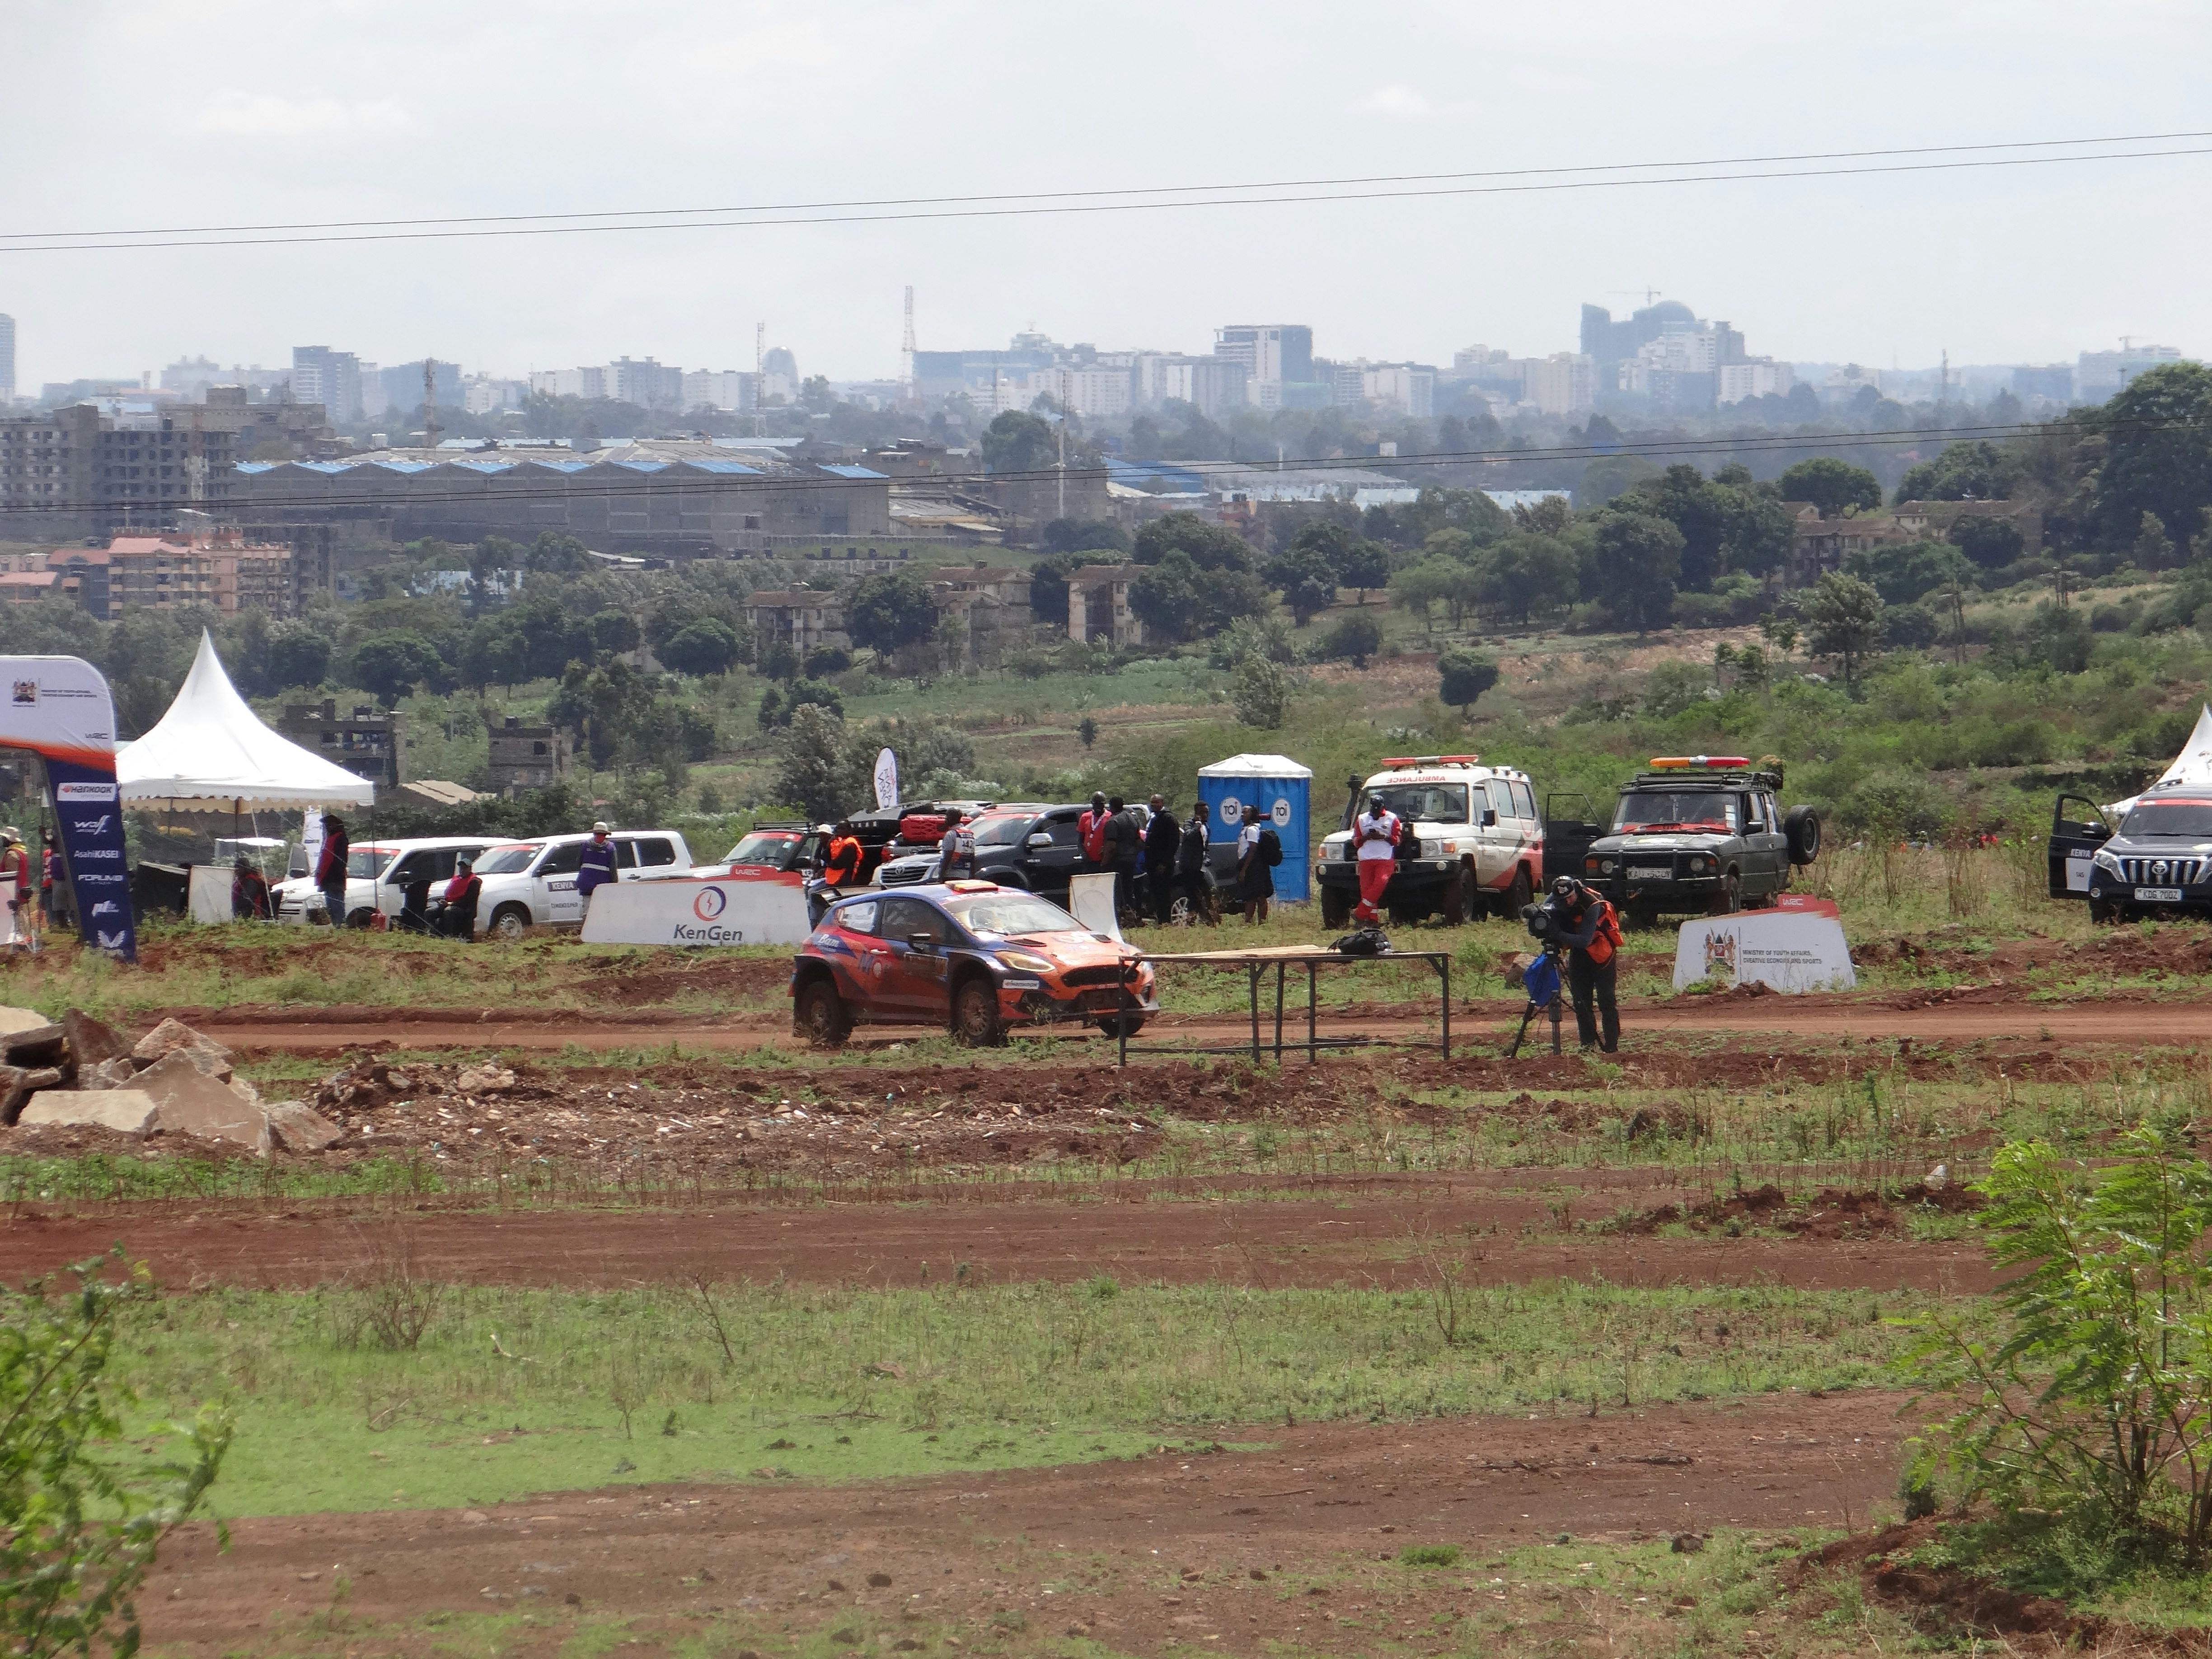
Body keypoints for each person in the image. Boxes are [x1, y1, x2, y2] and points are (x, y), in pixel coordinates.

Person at [1540, 875, 1623, 1053]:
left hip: (1602, 954)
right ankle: (1587, 1046)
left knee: (1606, 1000)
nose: (1568, 902)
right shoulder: (1557, 896)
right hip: (1579, 954)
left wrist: (1557, 933)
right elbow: (1543, 912)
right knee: (1581, 1002)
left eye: (1570, 897)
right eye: (1563, 900)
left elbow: (1585, 940)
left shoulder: (1593, 903)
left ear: (1576, 891)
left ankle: (1612, 1046)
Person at [1350, 791, 1402, 925]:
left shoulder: (1392, 818)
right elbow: (1356, 841)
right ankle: (1371, 919)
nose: (1375, 815)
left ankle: (1361, 912)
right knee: (1367, 890)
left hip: (1384, 857)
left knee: (1381, 882)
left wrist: (1383, 836)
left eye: (1378, 812)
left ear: (1382, 808)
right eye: (1373, 812)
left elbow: (1397, 840)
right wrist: (1366, 837)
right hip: (1365, 858)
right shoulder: (1362, 819)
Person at [1176, 799, 1218, 926]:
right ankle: (1197, 920)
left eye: (1207, 813)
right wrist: (1197, 825)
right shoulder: (1190, 824)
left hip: (1200, 866)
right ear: (1197, 813)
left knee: (1205, 893)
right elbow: (1188, 836)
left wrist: (1207, 859)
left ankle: (1205, 919)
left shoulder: (1207, 828)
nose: (1205, 815)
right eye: (1202, 812)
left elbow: (1205, 847)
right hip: (1189, 866)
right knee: (1194, 895)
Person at [1102, 796, 1142, 922]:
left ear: (1111, 807)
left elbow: (1111, 846)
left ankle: (1121, 917)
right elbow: (1139, 841)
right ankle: (1132, 915)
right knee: (1128, 889)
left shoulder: (1113, 821)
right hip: (1131, 859)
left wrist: (1104, 862)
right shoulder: (1133, 819)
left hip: (1118, 860)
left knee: (1118, 891)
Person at [1143, 794, 1180, 926]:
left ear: (1162, 803)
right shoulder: (1154, 818)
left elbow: (1174, 842)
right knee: (1157, 893)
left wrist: (1164, 863)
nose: (1153, 805)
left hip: (1163, 864)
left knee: (1164, 893)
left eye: (1156, 802)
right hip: (1152, 862)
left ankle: (1166, 920)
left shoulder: (1168, 818)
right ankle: (1160, 919)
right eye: (1152, 803)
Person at [1235, 804, 1275, 925]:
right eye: (1242, 812)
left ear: (1252, 815)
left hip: (1255, 867)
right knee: (1251, 896)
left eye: (1246, 812)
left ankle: (1262, 921)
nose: (1242, 815)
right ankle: (1248, 921)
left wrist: (1244, 869)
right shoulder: (1246, 829)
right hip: (1251, 865)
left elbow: (1253, 849)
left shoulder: (1252, 830)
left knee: (1260, 896)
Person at [315, 814, 351, 928]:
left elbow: (341, 860)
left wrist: (334, 875)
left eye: (327, 826)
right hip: (328, 879)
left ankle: (340, 927)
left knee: (337, 907)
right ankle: (336, 926)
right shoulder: (329, 838)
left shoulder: (340, 838)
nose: (325, 829)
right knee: (331, 907)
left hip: (335, 879)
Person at [437, 853, 483, 941]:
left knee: (448, 911)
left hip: (464, 908)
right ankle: (434, 934)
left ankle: (450, 937)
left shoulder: (474, 881)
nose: (462, 870)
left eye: (465, 868)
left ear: (470, 869)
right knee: (430, 912)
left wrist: (450, 904)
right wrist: (443, 901)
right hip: (451, 904)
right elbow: (448, 893)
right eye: (461, 868)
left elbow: (468, 901)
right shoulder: (456, 879)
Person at [576, 820, 619, 912]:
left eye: (602, 835)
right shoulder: (610, 847)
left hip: (594, 885)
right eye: (599, 834)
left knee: (592, 912)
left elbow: (579, 863)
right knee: (597, 912)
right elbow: (613, 869)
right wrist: (614, 884)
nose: (600, 837)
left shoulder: (585, 845)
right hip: (597, 886)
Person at [0, 827, 28, 950]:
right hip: (20, 888)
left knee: (15, 914)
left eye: (4, 838)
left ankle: (20, 941)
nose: (2, 841)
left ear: (9, 840)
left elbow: (10, 876)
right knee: (18, 913)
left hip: (12, 891)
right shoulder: (20, 852)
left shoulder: (12, 855)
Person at [230, 854, 273, 921]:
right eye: (236, 869)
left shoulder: (251, 881)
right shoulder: (242, 879)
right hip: (242, 914)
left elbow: (247, 900)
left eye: (239, 869)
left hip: (251, 915)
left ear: (245, 868)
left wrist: (237, 905)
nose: (236, 871)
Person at [1077, 791, 1111, 870]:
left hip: (1105, 861)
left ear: (1105, 804)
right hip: (1089, 861)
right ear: (1092, 804)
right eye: (1096, 804)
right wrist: (1083, 853)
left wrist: (1107, 849)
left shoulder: (1110, 817)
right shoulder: (1085, 817)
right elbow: (1080, 841)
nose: (1098, 806)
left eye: (1101, 804)